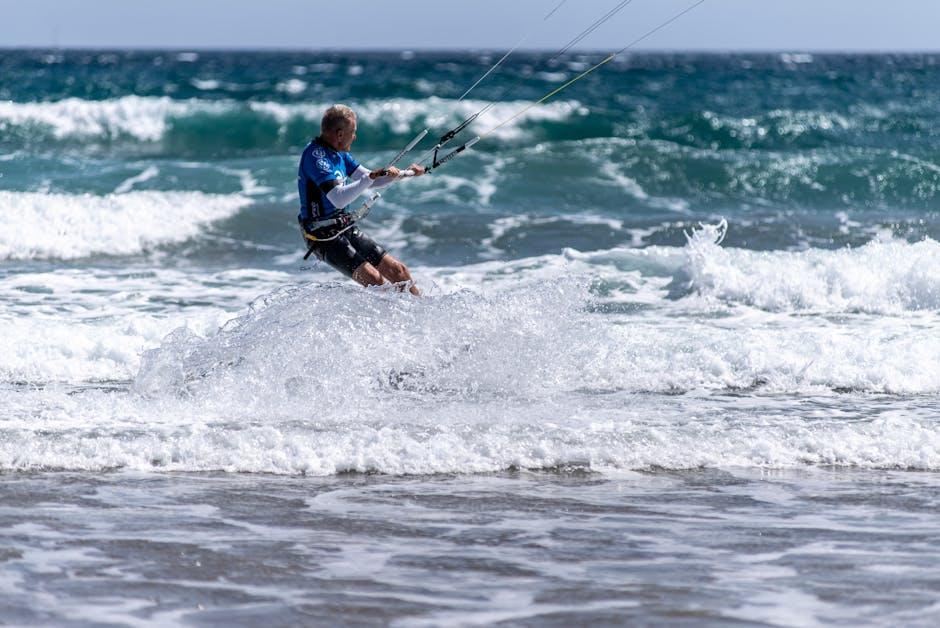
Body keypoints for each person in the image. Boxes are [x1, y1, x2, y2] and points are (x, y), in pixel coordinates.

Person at [298, 104, 425, 295]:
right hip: (322, 237)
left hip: (343, 227)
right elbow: (338, 199)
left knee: (399, 272)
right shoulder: (316, 157)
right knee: (378, 283)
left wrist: (407, 173)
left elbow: (372, 181)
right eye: (353, 132)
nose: (354, 136)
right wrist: (370, 178)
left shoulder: (339, 154)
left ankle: (422, 313)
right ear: (340, 134)